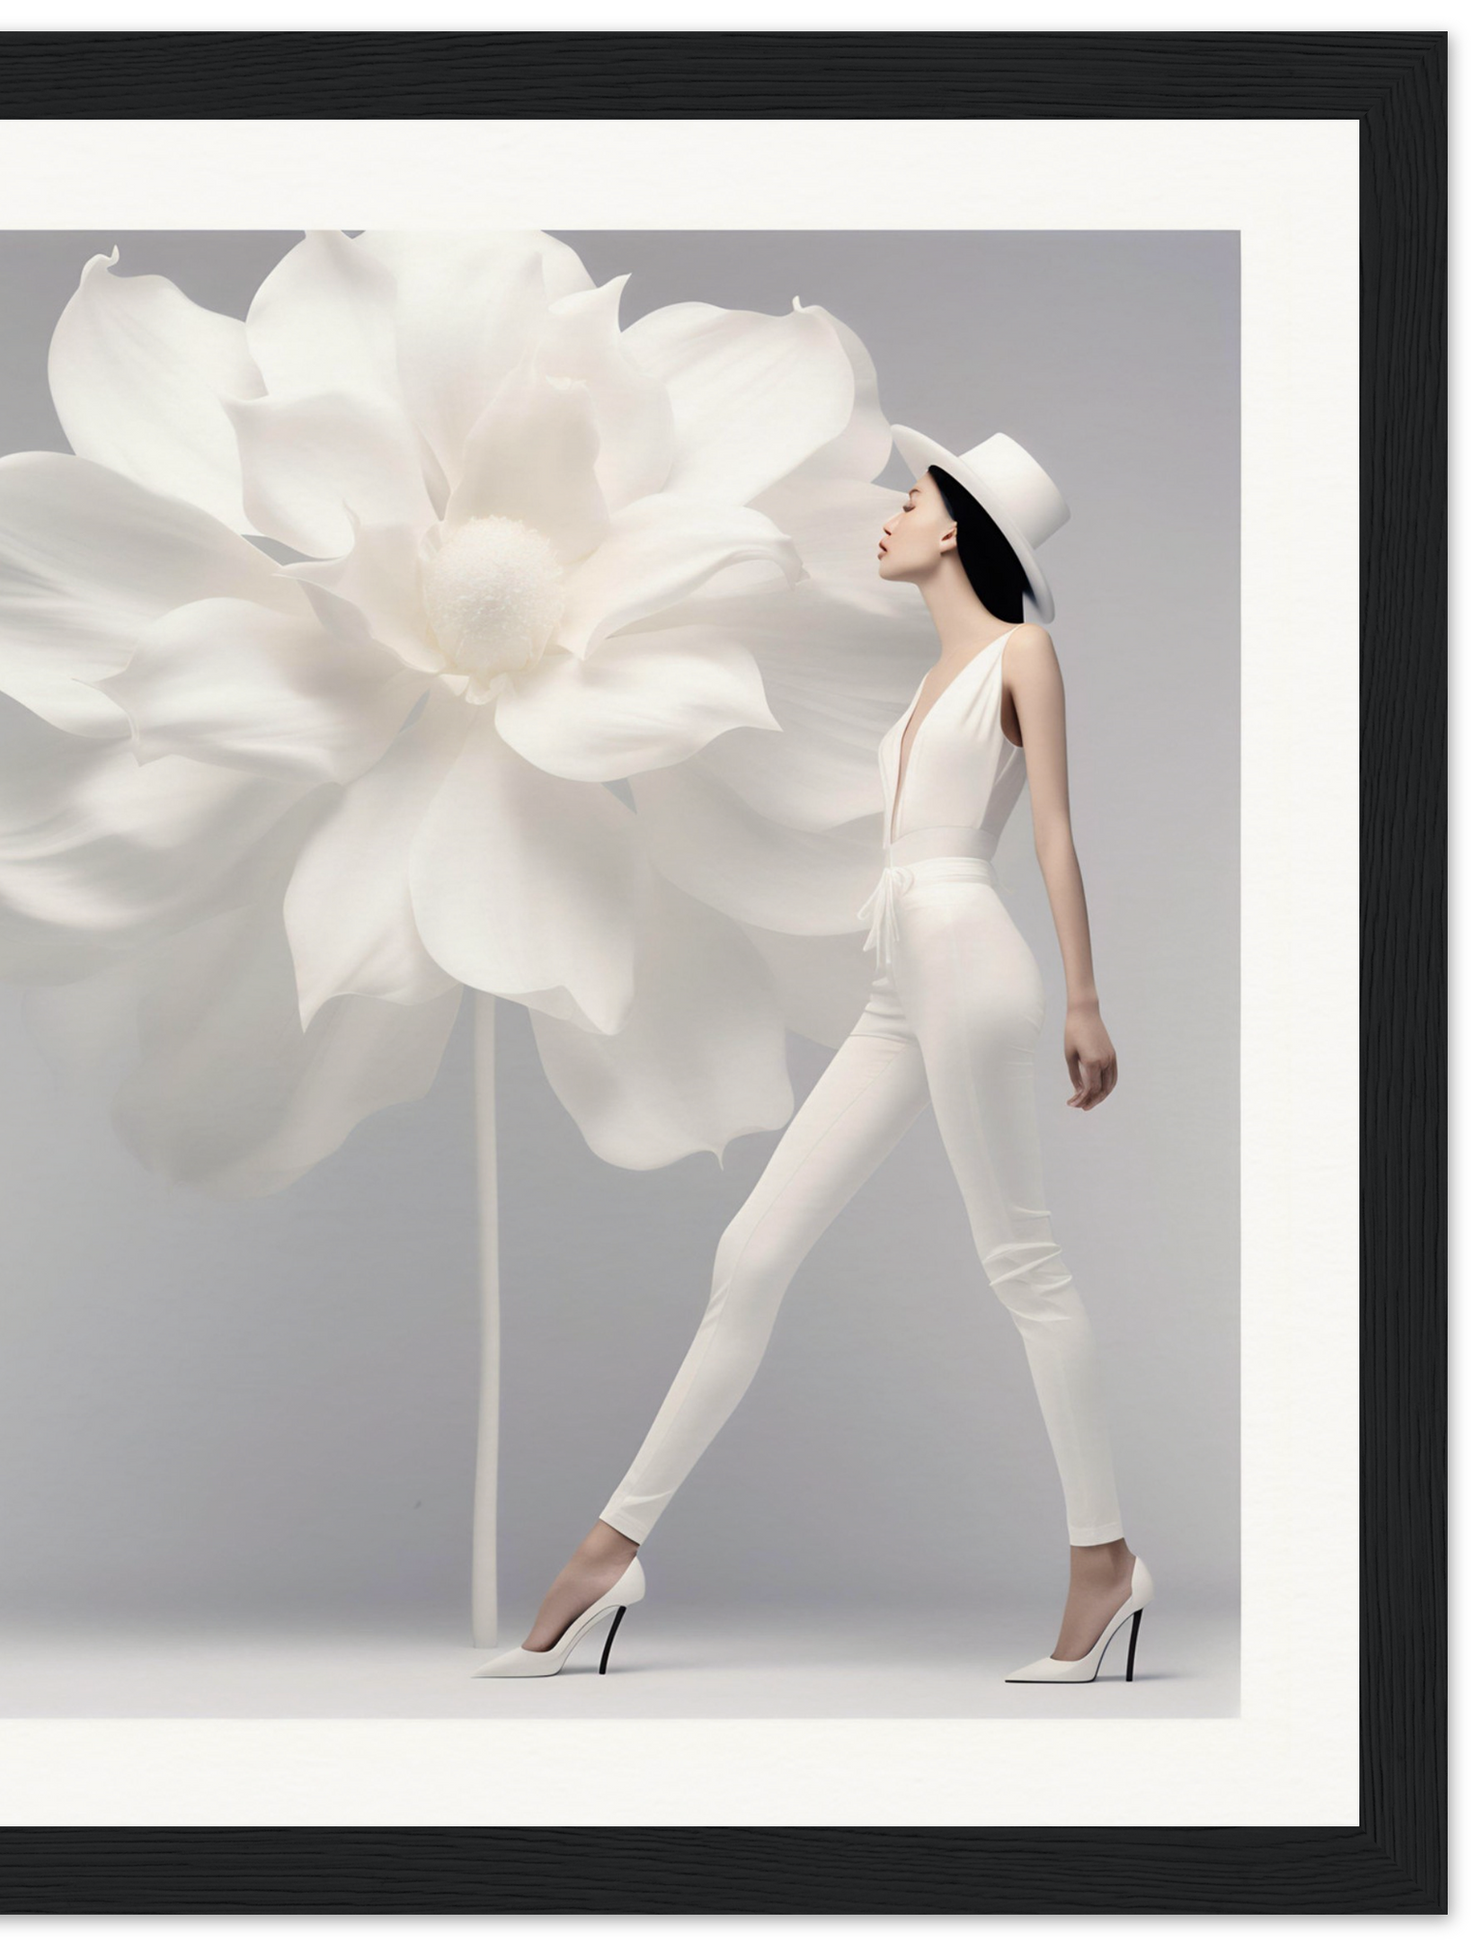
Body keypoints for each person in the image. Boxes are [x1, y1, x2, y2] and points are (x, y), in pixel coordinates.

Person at [473, 427, 1154, 1683]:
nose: (886, 519)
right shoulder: (921, 684)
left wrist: (1086, 997)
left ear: (955, 529)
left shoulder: (1022, 654)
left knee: (1019, 1260)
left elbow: (1053, 832)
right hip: (896, 966)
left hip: (967, 952)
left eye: (908, 500)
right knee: (751, 1250)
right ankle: (613, 1545)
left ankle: (1101, 1558)